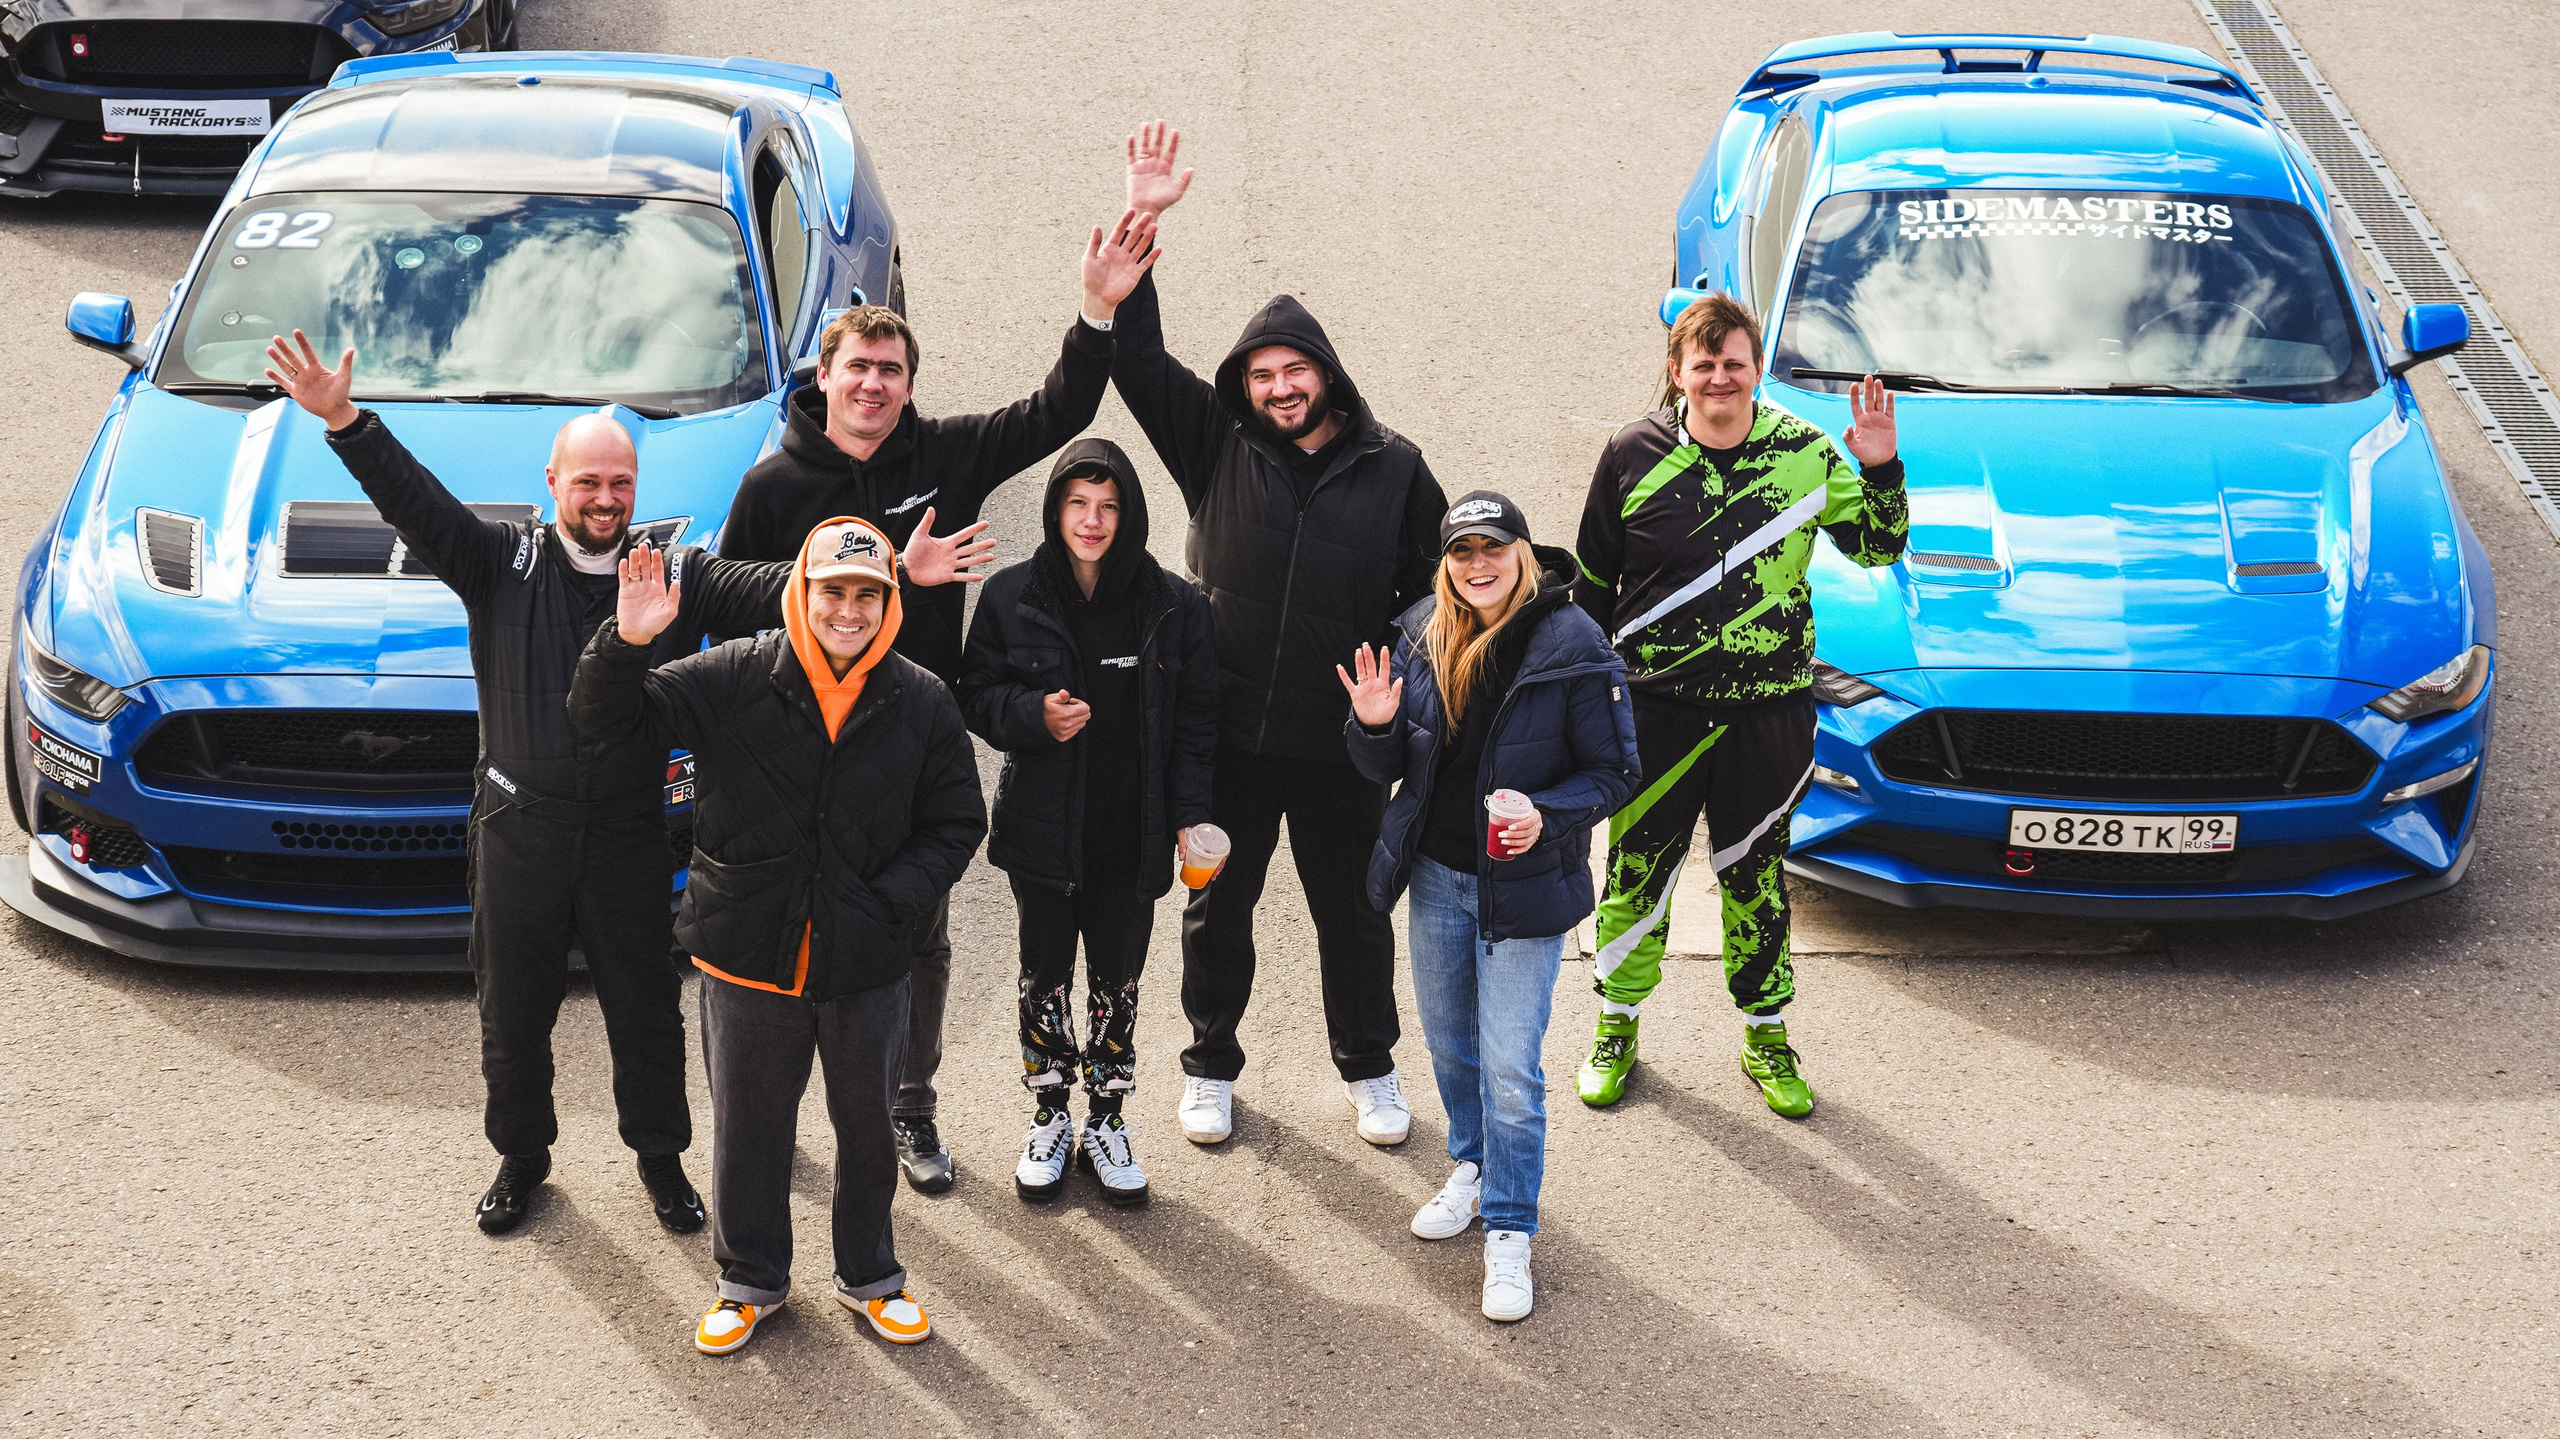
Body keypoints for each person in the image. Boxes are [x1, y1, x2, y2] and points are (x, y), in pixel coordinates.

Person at [262, 332, 792, 1238]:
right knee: (513, 1013)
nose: (605, 498)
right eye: (587, 482)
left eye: (620, 483)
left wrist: (885, 571)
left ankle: (661, 1161)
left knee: (647, 1014)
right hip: (518, 831)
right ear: (553, 486)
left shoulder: (672, 575)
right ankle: (521, 1159)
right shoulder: (496, 565)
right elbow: (413, 500)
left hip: (628, 835)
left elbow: (778, 588)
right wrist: (345, 421)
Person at [714, 211, 1158, 1193]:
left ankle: (909, 1107)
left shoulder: (945, 460)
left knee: (918, 932)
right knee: (790, 939)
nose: (874, 383)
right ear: (825, 377)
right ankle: (776, 1116)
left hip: (914, 749)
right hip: (797, 749)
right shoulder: (774, 486)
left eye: (892, 369)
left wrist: (1096, 306)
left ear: (908, 384)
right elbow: (731, 611)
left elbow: (1059, 407)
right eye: (858, 366)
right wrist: (893, 574)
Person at [569, 517, 986, 1357]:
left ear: (888, 603)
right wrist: (626, 640)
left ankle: (870, 1274)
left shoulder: (923, 698)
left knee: (868, 1127)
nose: (848, 609)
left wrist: (888, 905)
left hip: (867, 961)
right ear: (802, 589)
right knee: (749, 1129)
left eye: (867, 594)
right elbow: (606, 721)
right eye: (833, 589)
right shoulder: (731, 675)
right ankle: (750, 1281)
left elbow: (956, 822)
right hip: (748, 953)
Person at [1112, 120, 1448, 1146]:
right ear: (1242, 387)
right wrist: (1143, 218)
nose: (1278, 389)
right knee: (1218, 908)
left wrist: (1397, 685)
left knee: (1353, 917)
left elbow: (1438, 586)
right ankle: (1209, 1064)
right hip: (1229, 742)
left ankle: (1370, 1067)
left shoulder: (1394, 466)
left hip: (1343, 742)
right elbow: (1132, 355)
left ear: (1327, 375)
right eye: (1259, 375)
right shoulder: (1215, 446)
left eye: (1293, 371)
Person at [1569, 294, 1906, 1117]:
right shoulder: (1630, 454)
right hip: (1656, 713)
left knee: (1755, 880)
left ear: (1756, 370)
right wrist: (1582, 699)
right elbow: (1589, 582)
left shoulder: (1803, 452)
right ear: (1678, 372)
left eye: (1735, 363)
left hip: (1770, 716)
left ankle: (1765, 1035)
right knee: (1636, 870)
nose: (1720, 377)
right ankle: (1616, 1025)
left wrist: (1881, 465)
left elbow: (1879, 545)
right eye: (1704, 363)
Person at [1341, 491, 1638, 1322]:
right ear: (1447, 561)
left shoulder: (1573, 642)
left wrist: (1548, 812)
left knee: (1513, 1067)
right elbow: (1386, 763)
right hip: (1437, 875)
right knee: (1453, 1047)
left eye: (1493, 547)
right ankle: (1471, 1167)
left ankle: (1511, 1227)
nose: (1479, 564)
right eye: (1463, 550)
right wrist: (1371, 727)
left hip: (1526, 885)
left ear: (1522, 553)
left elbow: (1617, 771)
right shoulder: (1420, 629)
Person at [953, 439, 1218, 1206]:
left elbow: (1197, 720)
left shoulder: (1174, 604)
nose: (1092, 520)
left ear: (1128, 512)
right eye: (1078, 504)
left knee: (1117, 981)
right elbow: (975, 695)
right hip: (1042, 830)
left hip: (1130, 833)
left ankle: (1106, 1117)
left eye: (1108, 506)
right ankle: (1048, 1114)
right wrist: (1031, 714)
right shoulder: (1012, 596)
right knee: (1043, 976)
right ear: (1056, 510)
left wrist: (1191, 816)